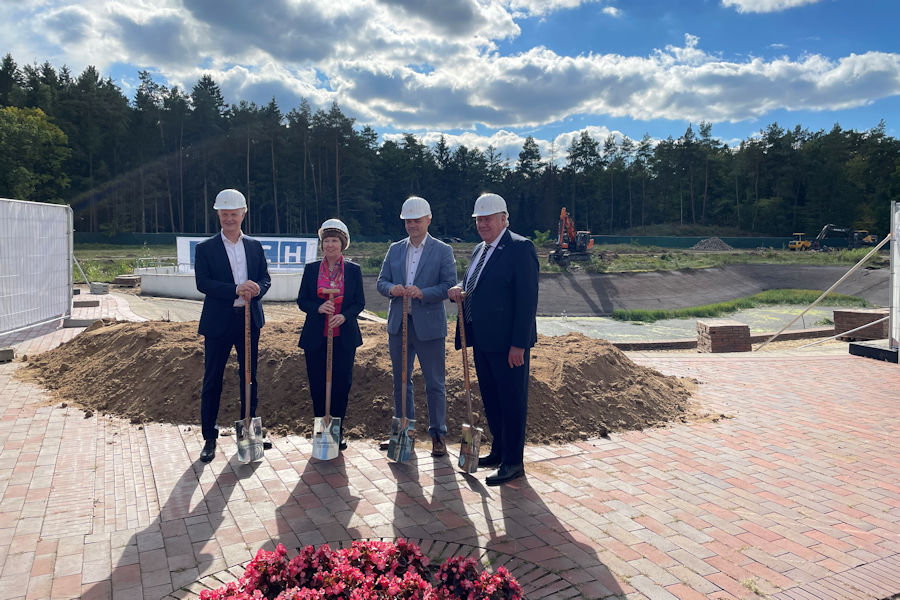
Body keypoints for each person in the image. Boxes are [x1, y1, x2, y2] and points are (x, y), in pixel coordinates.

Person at [447, 193, 538, 485]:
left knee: (512, 402)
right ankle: (499, 451)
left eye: (488, 219)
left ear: (503, 219)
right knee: (493, 400)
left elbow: (527, 301)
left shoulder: (520, 248)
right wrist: (459, 288)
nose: (482, 224)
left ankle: (514, 462)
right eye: (479, 220)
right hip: (482, 340)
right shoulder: (479, 250)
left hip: (508, 344)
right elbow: (474, 282)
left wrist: (519, 344)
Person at [195, 189, 272, 463]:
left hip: (250, 321)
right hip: (218, 322)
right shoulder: (205, 249)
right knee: (212, 379)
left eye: (234, 214)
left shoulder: (254, 246)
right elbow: (202, 283)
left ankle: (249, 430)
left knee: (249, 377)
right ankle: (209, 437)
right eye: (224, 214)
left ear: (243, 213)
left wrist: (256, 288)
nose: (229, 219)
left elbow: (265, 278)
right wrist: (235, 289)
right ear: (218, 214)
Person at [377, 196, 457, 457]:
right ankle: (404, 433)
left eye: (417, 220)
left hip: (429, 327)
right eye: (408, 221)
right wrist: (392, 289)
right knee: (401, 381)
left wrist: (423, 292)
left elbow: (448, 286)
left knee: (435, 383)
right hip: (399, 325)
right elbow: (382, 282)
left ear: (428, 220)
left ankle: (438, 435)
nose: (412, 225)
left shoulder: (442, 250)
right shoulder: (395, 249)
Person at [297, 218, 365, 450]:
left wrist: (344, 316)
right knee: (317, 384)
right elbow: (302, 300)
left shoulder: (353, 270)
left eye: (334, 240)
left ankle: (337, 431)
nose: (330, 245)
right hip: (316, 337)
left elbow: (359, 303)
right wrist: (318, 307)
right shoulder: (312, 269)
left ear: (342, 243)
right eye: (326, 241)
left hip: (343, 337)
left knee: (340, 385)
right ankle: (321, 430)